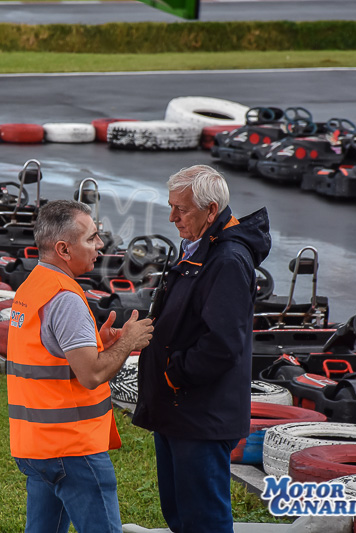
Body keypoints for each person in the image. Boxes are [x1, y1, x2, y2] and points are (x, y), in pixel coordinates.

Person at [133, 165, 271, 533]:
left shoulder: (227, 259)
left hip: (199, 414)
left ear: (211, 211)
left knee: (203, 520)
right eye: (170, 206)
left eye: (182, 209)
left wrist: (172, 375)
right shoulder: (199, 245)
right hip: (181, 410)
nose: (172, 217)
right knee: (180, 513)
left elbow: (222, 344)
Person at [7, 199, 154, 533]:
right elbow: (93, 375)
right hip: (72, 451)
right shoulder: (67, 299)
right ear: (63, 248)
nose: (100, 245)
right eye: (91, 238)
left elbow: (47, 355)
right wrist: (129, 342)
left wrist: (98, 343)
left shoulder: (32, 288)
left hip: (34, 446)